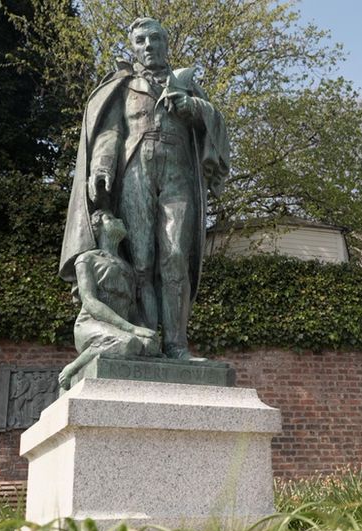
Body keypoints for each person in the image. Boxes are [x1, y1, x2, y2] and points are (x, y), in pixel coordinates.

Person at [58, 17, 230, 361]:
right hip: (135, 170)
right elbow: (109, 132)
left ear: (165, 44)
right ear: (134, 47)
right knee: (140, 263)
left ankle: (177, 345)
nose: (148, 45)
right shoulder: (123, 85)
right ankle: (149, 342)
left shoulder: (186, 84)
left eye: (154, 39)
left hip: (177, 173)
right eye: (140, 41)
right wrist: (102, 168)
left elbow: (216, 122)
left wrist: (193, 107)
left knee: (176, 257)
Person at [58, 211, 161, 390]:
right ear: (98, 228)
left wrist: (144, 330)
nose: (119, 220)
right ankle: (73, 368)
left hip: (122, 328)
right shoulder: (86, 259)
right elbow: (90, 302)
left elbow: (132, 309)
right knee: (128, 343)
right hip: (91, 324)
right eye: (111, 219)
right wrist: (131, 328)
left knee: (150, 346)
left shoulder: (127, 267)